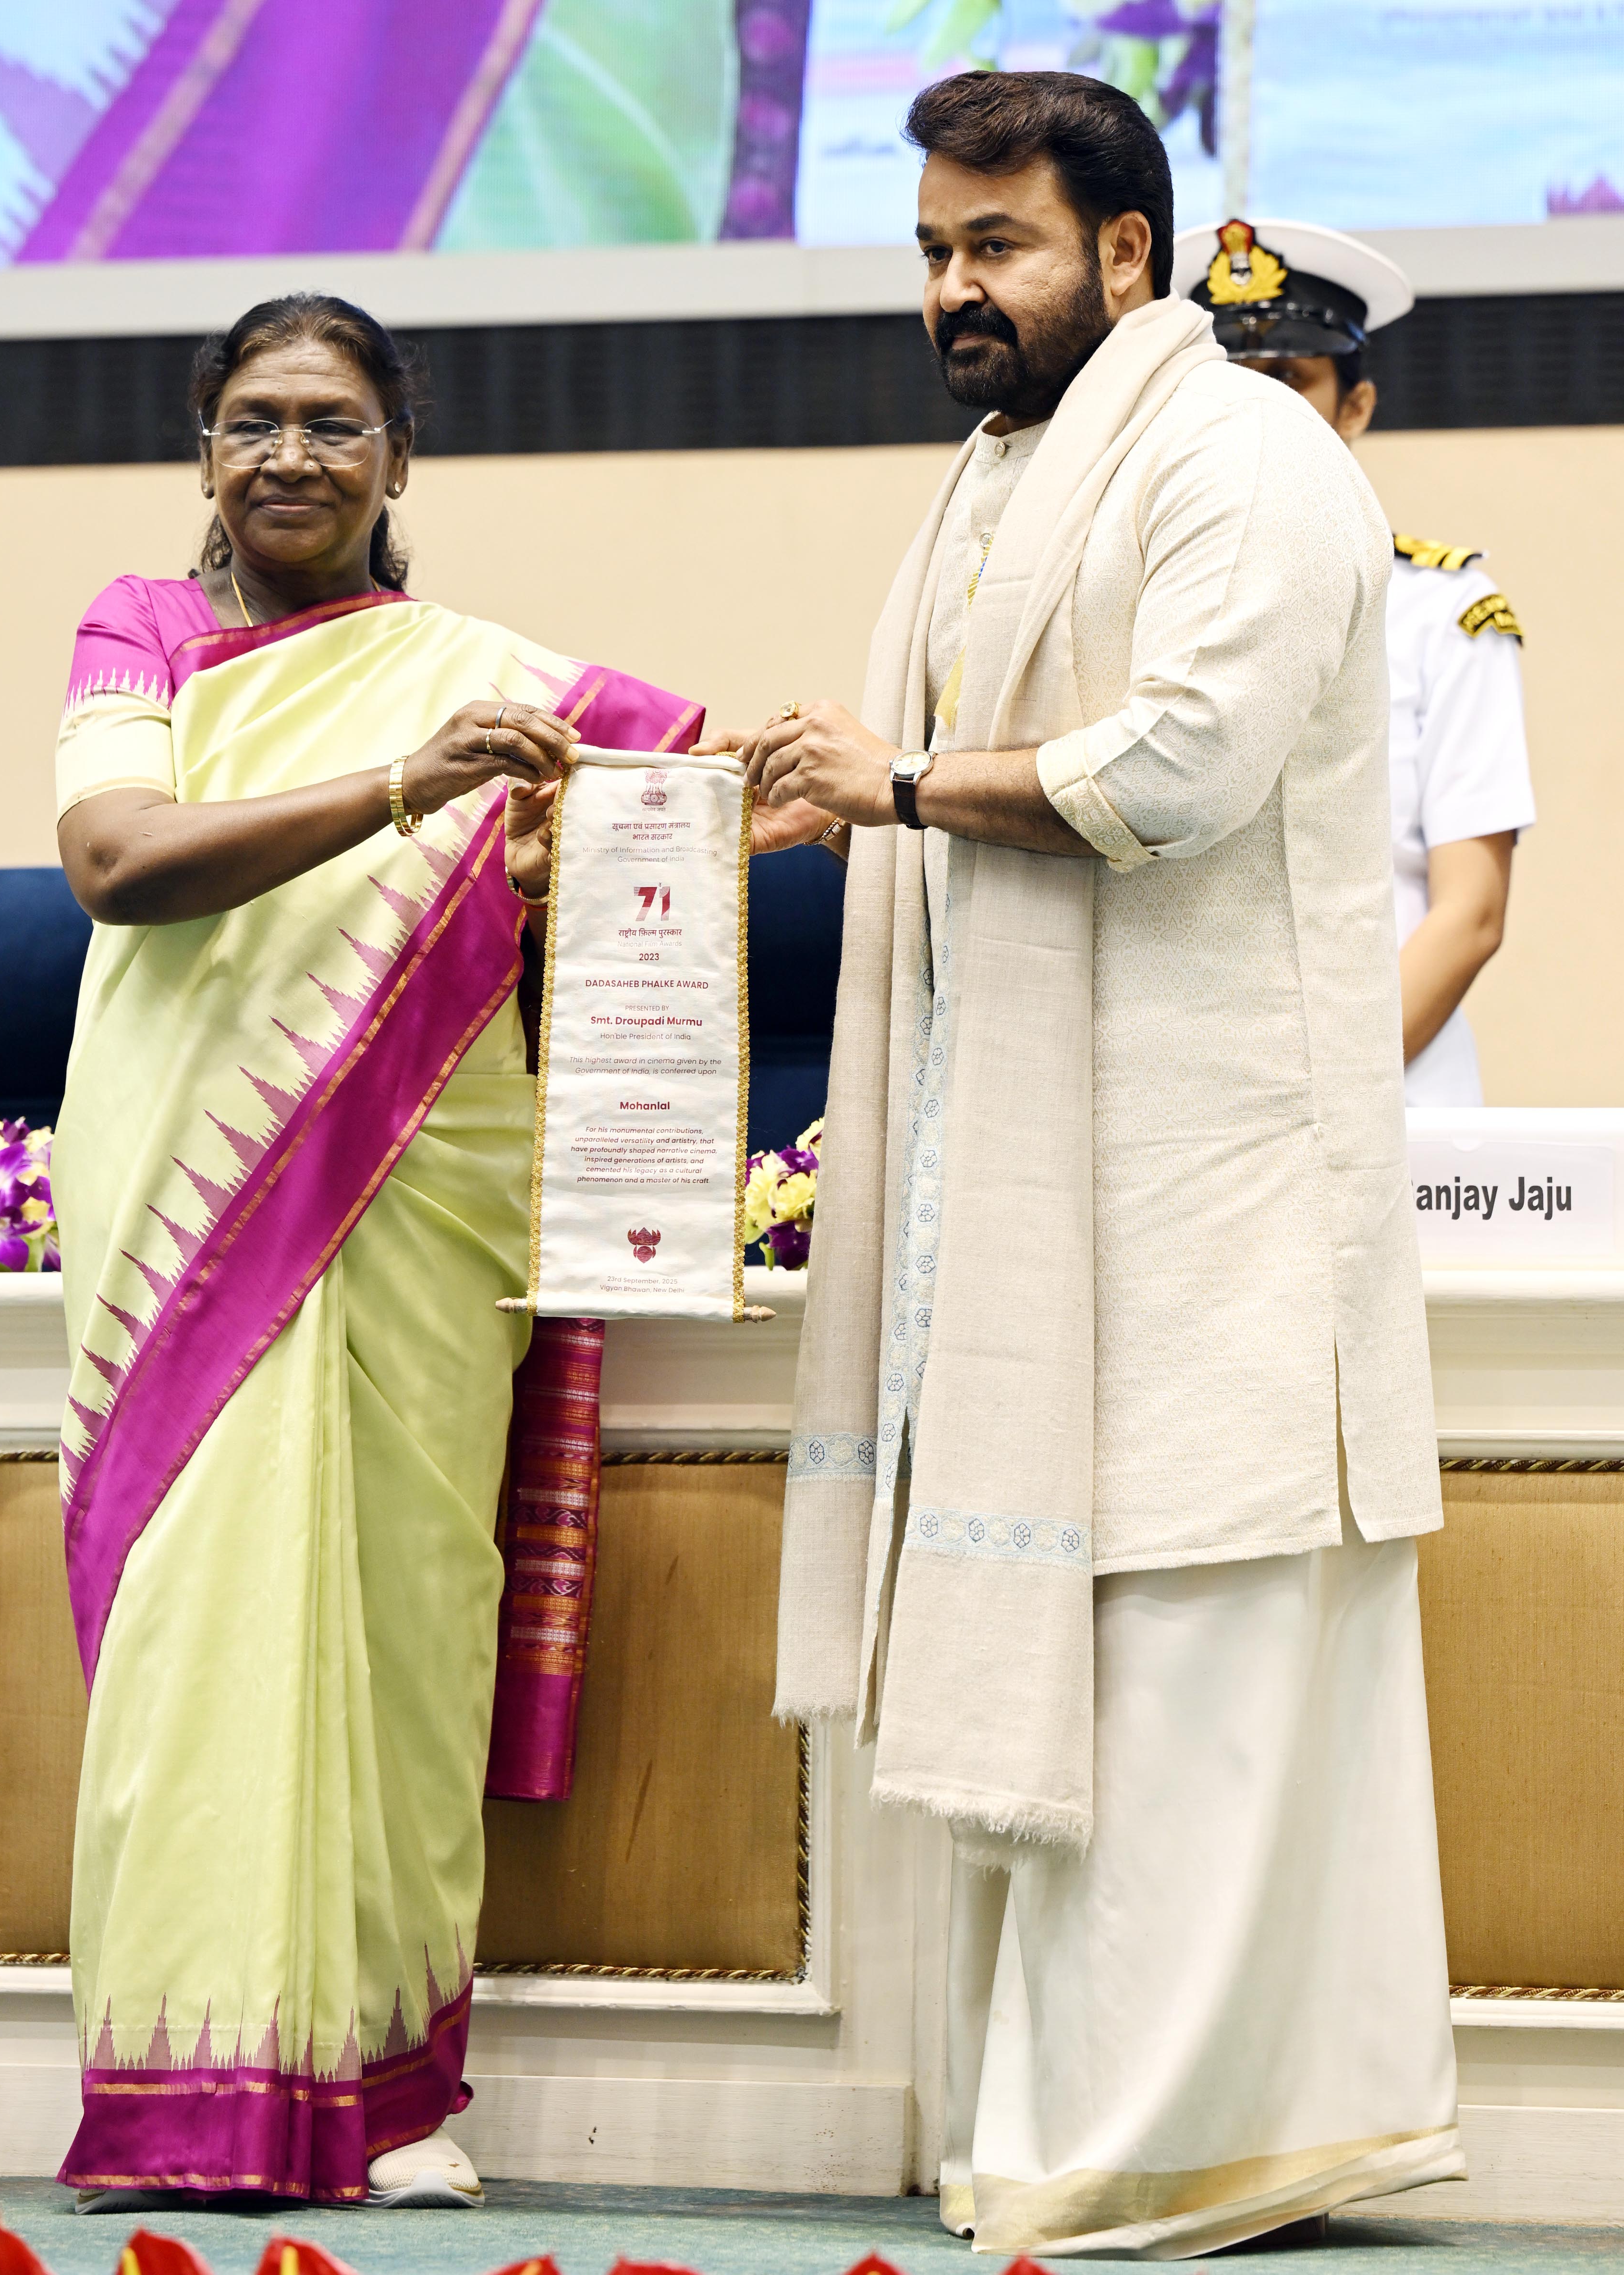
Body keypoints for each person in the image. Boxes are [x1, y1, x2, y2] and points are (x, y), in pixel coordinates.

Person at [721, 73, 1462, 2255]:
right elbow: (928, 788)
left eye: (999, 246)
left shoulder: (1235, 454)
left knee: (1191, 1686)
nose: (953, 287)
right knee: (1108, 1687)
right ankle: (1086, 2124)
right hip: (1048, 1201)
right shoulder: (998, 475)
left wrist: (903, 780)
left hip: (1206, 1201)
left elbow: (1183, 765)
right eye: (936, 246)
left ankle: (1155, 2147)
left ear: (1124, 254)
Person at [49, 293, 720, 2212]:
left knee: (402, 1620)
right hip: (187, 1195)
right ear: (203, 447)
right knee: (203, 1634)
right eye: (254, 419)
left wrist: (754, 804)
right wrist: (412, 790)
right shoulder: (145, 632)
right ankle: (185, 2096)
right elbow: (119, 859)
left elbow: (678, 799)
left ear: (398, 458)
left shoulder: (489, 675)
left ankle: (389, 2086)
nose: (289, 454)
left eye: (333, 424)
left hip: (426, 1200)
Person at [1176, 216, 1536, 1105]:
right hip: (1193, 1106)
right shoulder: (1152, 604)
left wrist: (1326, 1097)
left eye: (1291, 381)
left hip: (1391, 1100)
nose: (1257, 411)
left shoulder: (1444, 612)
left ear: (1356, 407)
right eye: (1233, 383)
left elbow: (1472, 913)